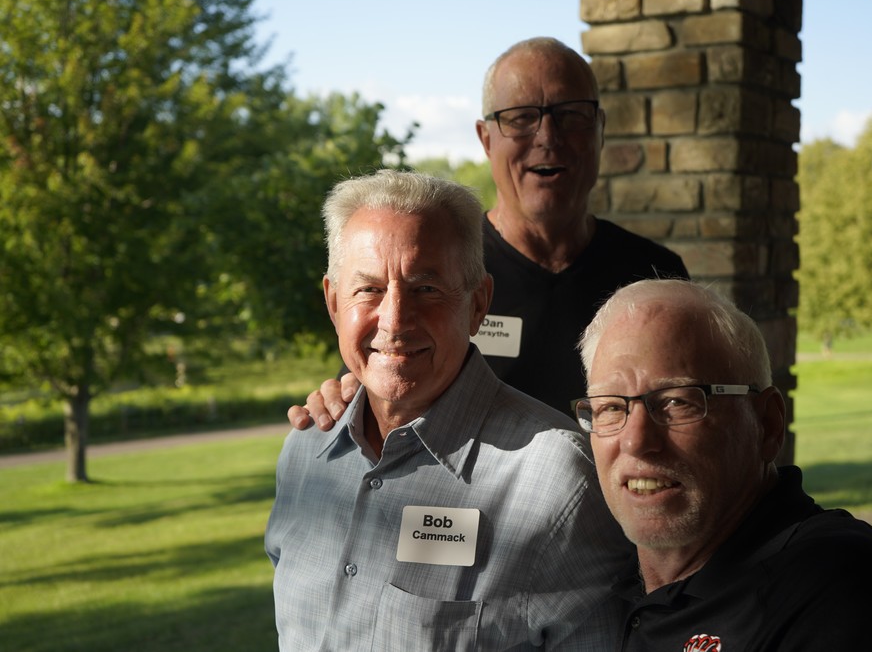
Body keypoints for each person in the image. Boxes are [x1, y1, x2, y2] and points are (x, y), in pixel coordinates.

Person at [265, 169, 636, 651]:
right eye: (368, 289)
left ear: (479, 303)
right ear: (334, 303)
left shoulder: (557, 481)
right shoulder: (305, 453)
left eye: (426, 288)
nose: (395, 320)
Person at [288, 37, 687, 429]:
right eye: (521, 117)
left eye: (571, 114)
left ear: (600, 128)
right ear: (485, 138)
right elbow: (372, 375)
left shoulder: (654, 276)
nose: (548, 136)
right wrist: (338, 397)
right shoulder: (438, 264)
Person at [574, 278, 872, 651]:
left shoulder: (830, 585)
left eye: (677, 401)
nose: (636, 441)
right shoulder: (597, 581)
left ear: (768, 425)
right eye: (611, 407)